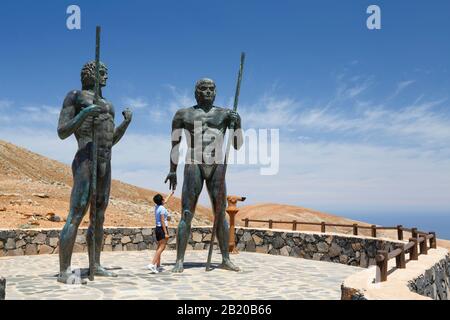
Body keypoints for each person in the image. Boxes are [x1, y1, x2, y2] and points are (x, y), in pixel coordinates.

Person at [57, 61, 132, 284]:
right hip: (85, 159)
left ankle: (95, 264)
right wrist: (86, 113)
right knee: (77, 212)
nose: (106, 76)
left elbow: (110, 141)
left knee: (99, 216)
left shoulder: (108, 105)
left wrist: (126, 124)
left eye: (107, 72)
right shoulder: (75, 96)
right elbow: (62, 131)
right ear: (90, 74)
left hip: (104, 162)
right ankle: (65, 270)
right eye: (101, 72)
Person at [164, 78, 243, 273]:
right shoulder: (184, 114)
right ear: (196, 92)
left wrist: (238, 122)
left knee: (220, 213)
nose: (207, 92)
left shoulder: (225, 114)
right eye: (203, 89)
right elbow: (175, 144)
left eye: (211, 89)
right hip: (193, 163)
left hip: (217, 165)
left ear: (215, 92)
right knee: (187, 213)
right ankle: (179, 260)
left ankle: (225, 259)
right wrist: (173, 169)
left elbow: (237, 144)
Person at [147, 191, 174, 273]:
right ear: (161, 200)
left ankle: (157, 266)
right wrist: (166, 233)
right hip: (162, 228)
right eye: (162, 198)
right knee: (162, 247)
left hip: (157, 228)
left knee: (159, 247)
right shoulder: (162, 209)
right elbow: (162, 221)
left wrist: (171, 193)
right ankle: (152, 264)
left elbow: (165, 201)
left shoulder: (157, 207)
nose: (164, 199)